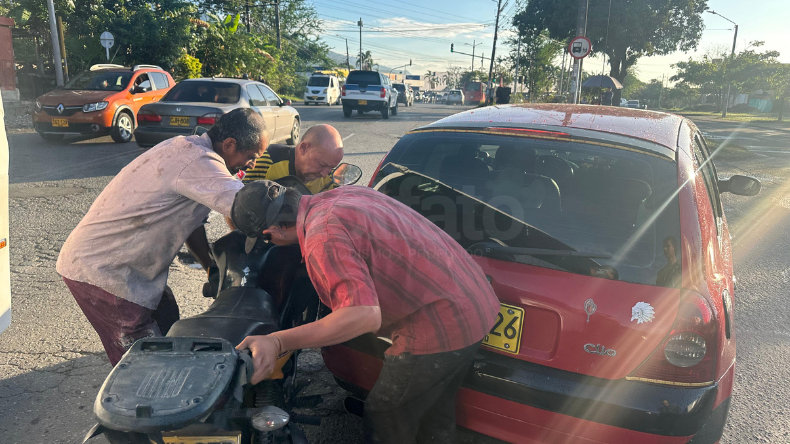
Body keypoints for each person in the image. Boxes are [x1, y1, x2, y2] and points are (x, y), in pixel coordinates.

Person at [232, 182, 500, 444]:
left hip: (442, 323)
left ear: (272, 232)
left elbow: (363, 314)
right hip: (474, 300)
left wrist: (278, 341)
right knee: (433, 406)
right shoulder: (343, 195)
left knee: (385, 414)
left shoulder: (321, 236)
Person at [56, 108, 268, 366]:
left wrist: (210, 266)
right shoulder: (199, 162)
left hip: (124, 265)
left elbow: (190, 222)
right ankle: (143, 401)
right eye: (251, 157)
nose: (253, 165)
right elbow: (249, 205)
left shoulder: (185, 148)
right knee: (147, 361)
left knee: (168, 319)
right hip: (104, 272)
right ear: (230, 144)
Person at [242, 124, 344, 193]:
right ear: (304, 148)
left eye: (331, 168)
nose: (324, 174)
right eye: (322, 165)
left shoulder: (332, 179)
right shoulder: (265, 161)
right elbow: (234, 202)